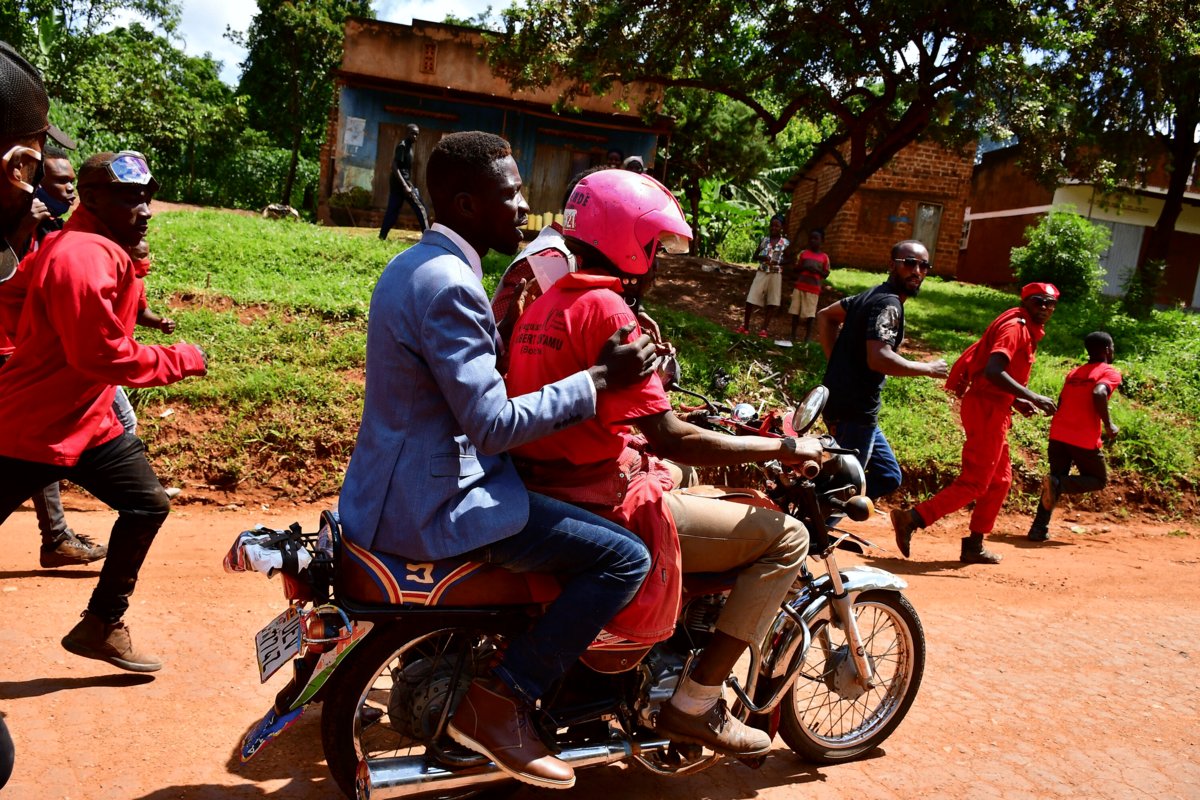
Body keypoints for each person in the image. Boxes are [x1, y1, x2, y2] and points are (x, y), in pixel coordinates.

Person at [338, 131, 658, 790]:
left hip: (389, 486)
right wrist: (599, 379)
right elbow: (491, 424)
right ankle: (504, 698)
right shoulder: (452, 285)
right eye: (509, 194)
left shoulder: (412, 266)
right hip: (435, 504)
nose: (524, 206)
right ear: (466, 203)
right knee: (624, 557)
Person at [505, 169, 818, 758]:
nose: (655, 260)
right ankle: (696, 702)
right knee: (788, 538)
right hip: (598, 499)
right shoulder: (608, 308)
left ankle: (667, 657)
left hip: (552, 481)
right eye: (653, 248)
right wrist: (783, 446)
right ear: (631, 241)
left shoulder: (547, 303)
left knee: (687, 480)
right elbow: (671, 435)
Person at [0, 151, 208, 671]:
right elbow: (100, 354)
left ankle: (102, 625)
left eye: (145, 196)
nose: (144, 209)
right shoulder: (83, 256)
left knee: (147, 504)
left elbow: (16, 296)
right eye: (127, 197)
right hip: (30, 427)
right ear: (90, 199)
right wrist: (178, 358)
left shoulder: (96, 248)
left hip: (86, 421)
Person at [891, 282, 1060, 564]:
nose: (1044, 308)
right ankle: (912, 518)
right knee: (975, 483)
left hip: (995, 408)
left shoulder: (1025, 328)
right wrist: (1032, 395)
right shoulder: (1016, 328)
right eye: (1038, 302)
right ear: (1026, 302)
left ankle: (974, 544)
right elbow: (994, 370)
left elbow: (990, 373)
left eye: (1049, 303)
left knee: (1000, 481)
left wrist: (1017, 400)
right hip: (986, 410)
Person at [817, 240, 948, 501]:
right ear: (892, 265)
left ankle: (815, 502)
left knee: (888, 475)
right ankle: (812, 533)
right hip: (855, 410)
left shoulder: (869, 296)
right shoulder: (888, 304)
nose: (917, 271)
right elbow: (880, 358)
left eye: (924, 266)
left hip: (849, 406)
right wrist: (928, 368)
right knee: (847, 488)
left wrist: (838, 361)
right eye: (909, 263)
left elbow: (826, 315)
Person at [1028, 331, 1121, 541]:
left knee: (1053, 482)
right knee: (1098, 479)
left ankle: (1038, 529)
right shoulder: (1109, 372)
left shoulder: (1074, 373)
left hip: (1058, 434)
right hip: (1083, 437)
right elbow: (1099, 393)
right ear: (1107, 350)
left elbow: (1062, 402)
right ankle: (1059, 484)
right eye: (1112, 347)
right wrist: (1109, 424)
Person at [737, 214, 788, 338]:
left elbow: (789, 259)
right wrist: (763, 257)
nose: (773, 228)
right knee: (751, 298)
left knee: (772, 301)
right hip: (762, 271)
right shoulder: (765, 240)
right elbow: (755, 256)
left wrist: (779, 262)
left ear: (782, 227)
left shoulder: (786, 243)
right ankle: (746, 326)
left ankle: (764, 329)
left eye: (777, 225)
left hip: (776, 274)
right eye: (772, 225)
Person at [378, 123, 430, 239]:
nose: (415, 137)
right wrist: (405, 186)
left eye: (417, 135)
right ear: (407, 133)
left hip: (400, 184)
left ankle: (382, 237)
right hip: (402, 184)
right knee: (421, 208)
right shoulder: (403, 146)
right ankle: (429, 238)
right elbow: (394, 166)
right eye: (413, 134)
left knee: (392, 211)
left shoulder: (409, 146)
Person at [784, 229, 831, 345]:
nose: (813, 241)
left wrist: (817, 270)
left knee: (810, 314)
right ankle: (793, 335)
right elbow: (796, 268)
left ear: (822, 241)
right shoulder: (804, 254)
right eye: (811, 238)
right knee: (795, 312)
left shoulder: (824, 257)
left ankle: (807, 338)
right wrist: (804, 268)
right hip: (800, 286)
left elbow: (826, 273)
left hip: (813, 289)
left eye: (816, 239)